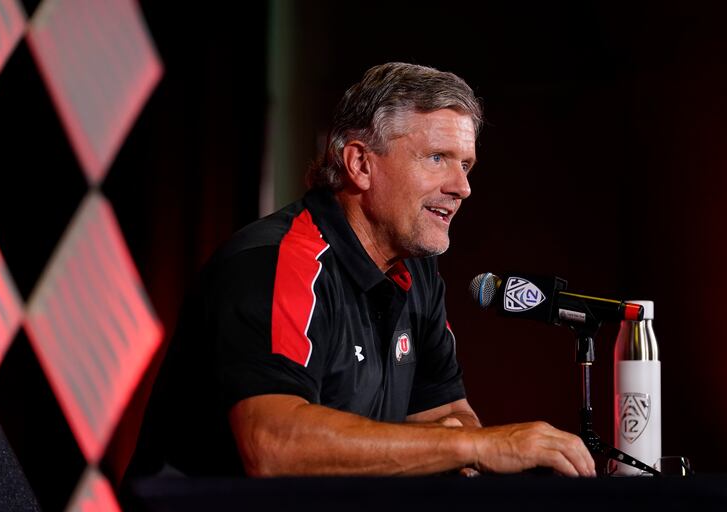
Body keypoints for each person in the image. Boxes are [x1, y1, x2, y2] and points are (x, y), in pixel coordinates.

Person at [123, 62, 595, 485]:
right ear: (360, 163)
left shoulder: (418, 275)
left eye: (466, 164)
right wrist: (478, 446)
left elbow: (448, 416)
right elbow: (273, 445)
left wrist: (464, 443)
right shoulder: (277, 263)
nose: (462, 188)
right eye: (437, 159)